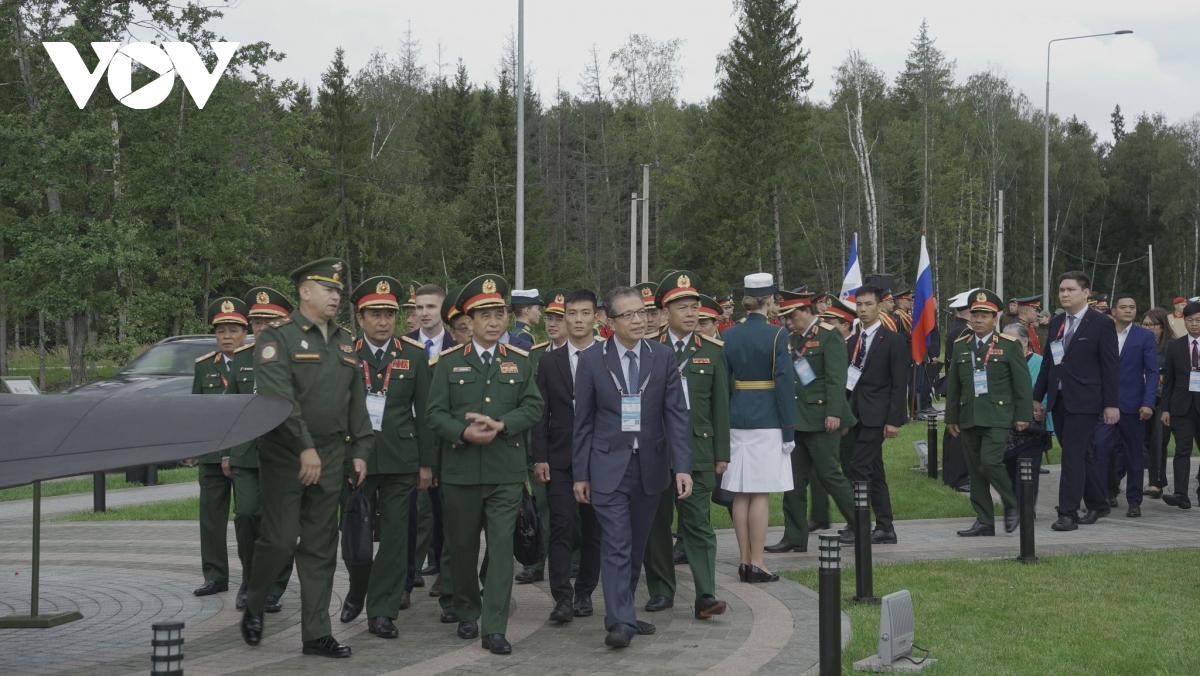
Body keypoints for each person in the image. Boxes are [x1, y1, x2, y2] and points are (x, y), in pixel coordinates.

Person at [241, 257, 373, 658]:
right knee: (280, 541)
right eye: (328, 289)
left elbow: (356, 401)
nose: (336, 296)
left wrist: (361, 449)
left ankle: (316, 633)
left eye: (338, 290)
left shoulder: (345, 340)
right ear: (304, 292)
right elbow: (279, 398)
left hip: (333, 451)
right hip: (285, 453)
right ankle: (255, 600)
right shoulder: (276, 338)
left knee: (319, 545)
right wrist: (304, 447)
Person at [426, 274, 544, 655]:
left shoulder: (521, 361)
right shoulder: (446, 363)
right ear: (469, 321)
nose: (494, 322)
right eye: (486, 315)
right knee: (460, 548)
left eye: (500, 314)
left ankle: (494, 627)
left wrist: (504, 425)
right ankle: (466, 609)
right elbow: (434, 414)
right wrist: (463, 432)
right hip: (460, 472)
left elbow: (534, 406)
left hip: (505, 472)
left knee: (499, 547)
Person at [572, 285, 692, 649]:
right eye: (628, 314)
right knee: (617, 544)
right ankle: (621, 621)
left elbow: (676, 414)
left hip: (651, 466)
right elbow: (583, 421)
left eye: (642, 312)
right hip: (608, 465)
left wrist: (683, 466)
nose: (639, 320)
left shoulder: (662, 357)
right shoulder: (593, 360)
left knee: (635, 544)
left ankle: (621, 610)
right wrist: (581, 473)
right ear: (608, 321)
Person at [339, 276, 435, 638]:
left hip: (400, 457)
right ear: (360, 318)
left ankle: (382, 610)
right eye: (375, 314)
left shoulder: (411, 354)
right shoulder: (346, 354)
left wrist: (426, 463)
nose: (383, 322)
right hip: (354, 458)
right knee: (356, 540)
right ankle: (357, 587)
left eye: (389, 315)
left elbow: (425, 411)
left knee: (395, 538)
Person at [641, 272, 730, 619]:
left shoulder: (712, 351)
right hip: (655, 451)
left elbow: (721, 406)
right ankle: (662, 590)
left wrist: (722, 453)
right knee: (656, 524)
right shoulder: (649, 349)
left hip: (698, 451)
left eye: (695, 307)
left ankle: (706, 594)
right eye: (682, 307)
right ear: (664, 312)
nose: (691, 313)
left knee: (698, 524)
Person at [532, 289, 604, 623]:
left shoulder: (609, 356)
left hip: (599, 458)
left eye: (584, 313)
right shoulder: (548, 361)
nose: (577, 320)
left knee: (593, 530)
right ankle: (562, 597)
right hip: (559, 459)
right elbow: (540, 413)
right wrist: (539, 457)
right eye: (570, 314)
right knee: (560, 526)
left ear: (595, 317)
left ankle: (585, 593)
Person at [226, 287, 297, 613]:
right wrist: (227, 451)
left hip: (285, 451)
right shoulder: (241, 358)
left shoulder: (297, 357)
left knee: (281, 524)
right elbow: (230, 409)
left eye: (271, 320)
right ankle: (251, 578)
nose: (262, 327)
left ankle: (273, 587)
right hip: (247, 454)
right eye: (257, 321)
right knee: (246, 515)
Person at [767, 289, 854, 553]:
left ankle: (860, 523)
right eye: (784, 318)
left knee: (829, 474)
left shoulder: (829, 336)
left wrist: (835, 412)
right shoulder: (791, 339)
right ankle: (794, 536)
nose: (788, 322)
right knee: (792, 480)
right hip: (797, 420)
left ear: (807, 311)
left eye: (792, 316)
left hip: (821, 418)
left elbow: (837, 378)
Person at [1032, 271, 1120, 532]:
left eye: (1070, 289)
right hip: (1059, 399)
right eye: (1061, 290)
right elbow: (1048, 362)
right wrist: (1037, 397)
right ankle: (1098, 502)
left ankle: (1068, 513)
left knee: (1071, 455)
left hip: (1085, 400)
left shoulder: (1100, 323)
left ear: (1085, 293)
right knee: (1080, 454)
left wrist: (1111, 403)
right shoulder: (1058, 321)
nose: (1065, 294)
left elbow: (1110, 366)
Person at [721, 273, 794, 581]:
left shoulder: (728, 334)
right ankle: (757, 562)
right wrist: (788, 429)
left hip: (737, 417)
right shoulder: (778, 335)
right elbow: (784, 385)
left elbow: (724, 382)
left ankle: (742, 560)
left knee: (740, 493)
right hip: (767, 420)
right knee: (760, 494)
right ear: (768, 300)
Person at [944, 289, 1031, 536]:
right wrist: (951, 417)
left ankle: (1011, 502)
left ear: (996, 319)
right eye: (975, 314)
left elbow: (1022, 383)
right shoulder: (962, 346)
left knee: (989, 461)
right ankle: (984, 520)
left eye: (985, 315)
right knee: (975, 470)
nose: (979, 319)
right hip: (969, 415)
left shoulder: (1009, 345)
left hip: (998, 416)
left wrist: (1023, 415)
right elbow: (954, 385)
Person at [191, 297, 251, 602]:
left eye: (233, 330)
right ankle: (215, 576)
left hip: (243, 454)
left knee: (246, 517)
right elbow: (198, 411)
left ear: (245, 332)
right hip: (213, 455)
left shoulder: (254, 362)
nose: (227, 336)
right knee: (211, 518)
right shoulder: (205, 367)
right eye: (221, 331)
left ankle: (249, 578)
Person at [843, 284, 908, 544]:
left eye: (868, 304)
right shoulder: (853, 340)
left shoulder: (893, 340)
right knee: (874, 470)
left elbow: (898, 382)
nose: (862, 309)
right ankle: (885, 527)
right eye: (859, 305)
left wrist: (893, 419)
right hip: (855, 412)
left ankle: (859, 524)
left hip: (878, 414)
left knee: (857, 467)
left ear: (880, 307)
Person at [516, 288, 569, 585]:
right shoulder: (533, 354)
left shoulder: (582, 354)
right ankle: (535, 561)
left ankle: (573, 558)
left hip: (567, 442)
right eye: (549, 317)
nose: (552, 323)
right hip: (536, 440)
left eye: (558, 318)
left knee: (570, 509)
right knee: (539, 505)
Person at [1090, 293, 1157, 517]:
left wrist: (1149, 403)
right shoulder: (1101, 334)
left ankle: (1134, 500)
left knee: (1134, 455)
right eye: (1124, 307)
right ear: (1114, 311)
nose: (1128, 310)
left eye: (1132, 307)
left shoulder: (1144, 337)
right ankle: (1098, 498)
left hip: (1134, 406)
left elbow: (1152, 372)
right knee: (1100, 450)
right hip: (1104, 406)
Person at [809, 297, 860, 533]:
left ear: (846, 324)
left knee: (840, 470)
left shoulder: (852, 344)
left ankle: (856, 521)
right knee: (819, 470)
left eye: (830, 320)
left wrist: (838, 413)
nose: (824, 323)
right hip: (826, 412)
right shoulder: (824, 340)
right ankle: (820, 515)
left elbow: (840, 382)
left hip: (845, 414)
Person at [1000, 323, 1051, 503]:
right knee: (1008, 468)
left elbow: (1044, 389)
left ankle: (1027, 509)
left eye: (1014, 340)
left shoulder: (1038, 361)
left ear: (1025, 341)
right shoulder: (999, 361)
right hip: (1005, 425)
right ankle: (1013, 506)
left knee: (1027, 468)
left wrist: (1040, 407)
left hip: (1030, 426)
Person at [1159, 302, 1200, 510]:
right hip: (1181, 407)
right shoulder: (1175, 346)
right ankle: (1181, 494)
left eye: (1198, 320)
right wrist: (1165, 408)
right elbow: (1169, 381)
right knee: (1182, 450)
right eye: (1190, 320)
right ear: (1184, 321)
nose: (1194, 324)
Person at [1140, 308, 1174, 498]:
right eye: (1144, 324)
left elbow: (1173, 374)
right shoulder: (1139, 343)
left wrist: (1157, 377)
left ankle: (1156, 482)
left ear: (1162, 327)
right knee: (1142, 441)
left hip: (1162, 400)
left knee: (1158, 441)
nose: (1147, 328)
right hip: (1140, 399)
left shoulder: (1171, 346)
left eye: (1151, 325)